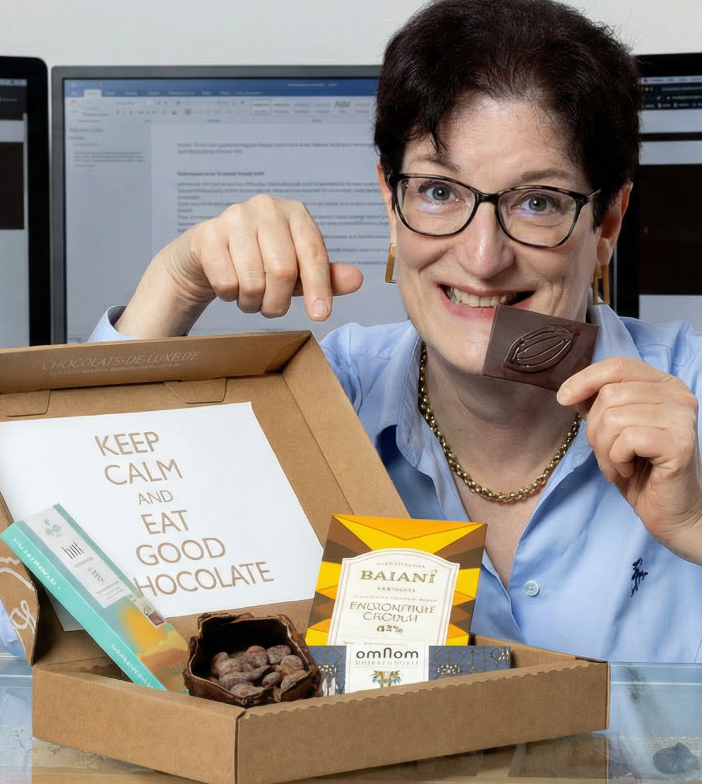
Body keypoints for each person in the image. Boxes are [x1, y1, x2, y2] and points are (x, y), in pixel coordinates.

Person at [3, 0, 702, 662]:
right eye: (438, 192)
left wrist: (697, 528)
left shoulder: (692, 395)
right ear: (390, 202)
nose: (483, 257)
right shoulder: (307, 400)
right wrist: (173, 289)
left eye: (538, 202)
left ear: (607, 223)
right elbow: (41, 624)